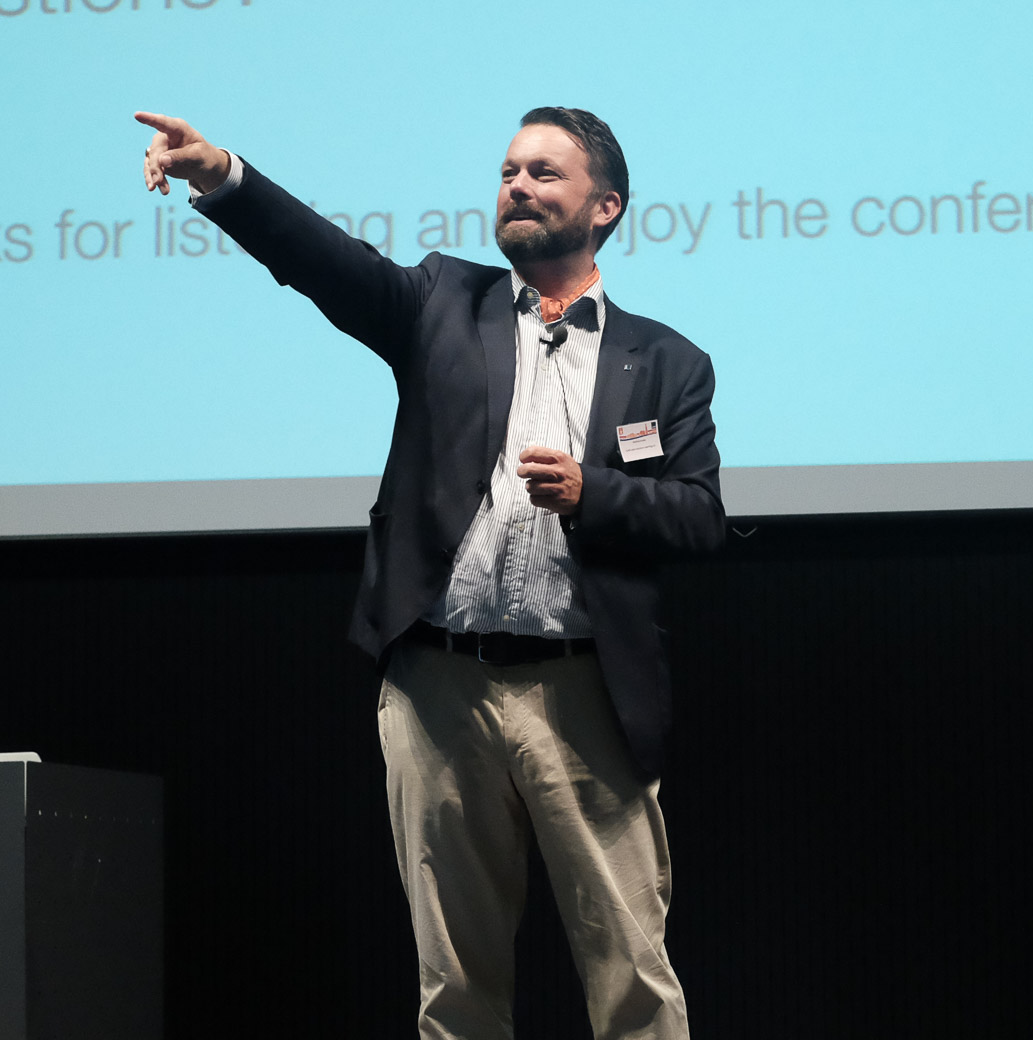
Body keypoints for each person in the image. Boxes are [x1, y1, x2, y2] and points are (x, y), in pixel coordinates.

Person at [138, 107, 723, 1040]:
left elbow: (698, 518)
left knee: (633, 979)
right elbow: (324, 260)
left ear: (605, 206)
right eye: (509, 171)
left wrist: (594, 494)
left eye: (544, 173)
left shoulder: (666, 361)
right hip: (439, 686)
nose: (518, 186)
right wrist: (223, 177)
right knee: (455, 984)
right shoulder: (444, 301)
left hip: (586, 692)